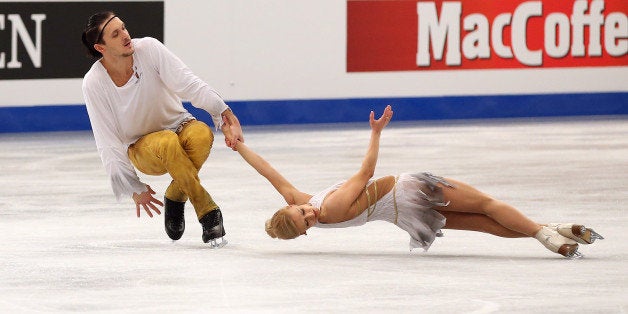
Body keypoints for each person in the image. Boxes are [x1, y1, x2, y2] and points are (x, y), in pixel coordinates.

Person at [232, 105, 603, 258]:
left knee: (486, 227)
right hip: (407, 190)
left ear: (291, 205)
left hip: (403, 215)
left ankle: (557, 231)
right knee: (487, 205)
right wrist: (376, 133)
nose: (310, 215)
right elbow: (365, 174)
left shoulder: (309, 200)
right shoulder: (328, 206)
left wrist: (238, 147)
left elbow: (268, 171)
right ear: (306, 230)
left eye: (301, 213)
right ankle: (548, 238)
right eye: (306, 224)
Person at [81, 11, 243, 247]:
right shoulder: (94, 83)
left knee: (201, 134)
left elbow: (188, 83)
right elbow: (107, 141)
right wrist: (133, 187)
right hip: (142, 149)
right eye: (115, 34)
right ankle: (207, 212)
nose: (125, 35)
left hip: (179, 126)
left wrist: (223, 112)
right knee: (167, 141)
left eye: (124, 28)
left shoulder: (149, 49)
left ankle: (176, 195)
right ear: (101, 47)